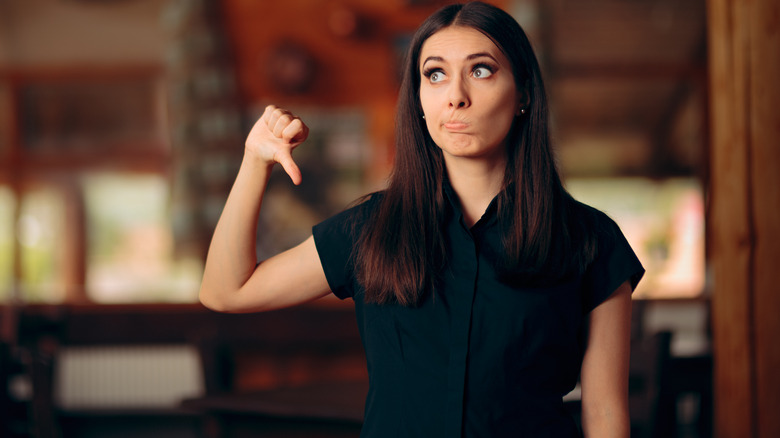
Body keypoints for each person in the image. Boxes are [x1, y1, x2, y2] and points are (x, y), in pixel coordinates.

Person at [199, 2, 644, 437]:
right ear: (418, 99)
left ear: (523, 92)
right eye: (435, 74)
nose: (455, 96)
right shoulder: (370, 228)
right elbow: (226, 290)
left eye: (481, 70)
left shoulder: (590, 239)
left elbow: (604, 411)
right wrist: (254, 162)